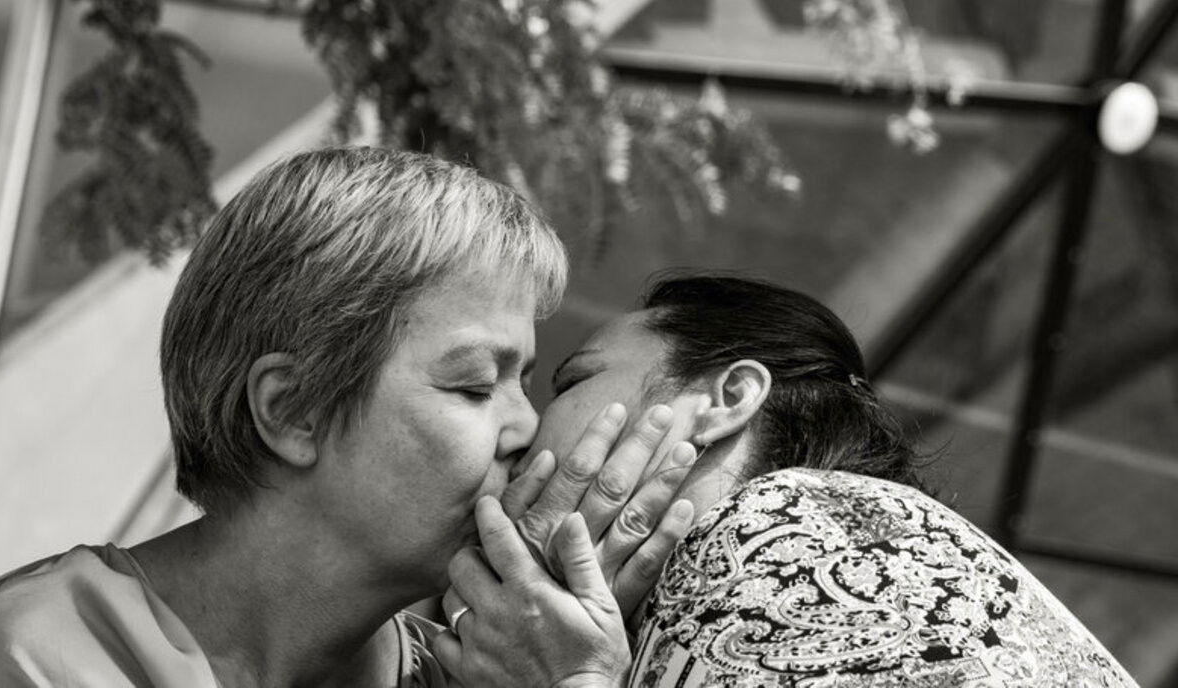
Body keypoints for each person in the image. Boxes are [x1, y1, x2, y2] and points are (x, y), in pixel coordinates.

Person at [0, 147, 694, 687]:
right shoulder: (58, 651)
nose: (527, 429)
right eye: (472, 386)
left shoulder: (475, 673)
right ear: (291, 411)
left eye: (523, 382)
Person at [437, 275, 1139, 687]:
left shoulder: (785, 520)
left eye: (572, 382)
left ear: (727, 398)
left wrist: (571, 678)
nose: (529, 427)